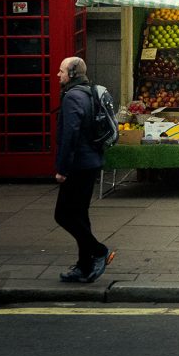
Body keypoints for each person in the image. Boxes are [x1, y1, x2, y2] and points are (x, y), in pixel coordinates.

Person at [55, 56, 115, 283]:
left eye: (61, 71)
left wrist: (62, 169)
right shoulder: (89, 93)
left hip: (78, 165)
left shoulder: (72, 97)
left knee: (63, 215)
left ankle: (99, 251)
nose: (57, 75)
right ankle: (84, 265)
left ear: (71, 74)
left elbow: (70, 135)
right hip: (91, 162)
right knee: (80, 216)